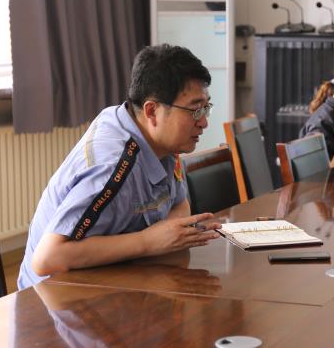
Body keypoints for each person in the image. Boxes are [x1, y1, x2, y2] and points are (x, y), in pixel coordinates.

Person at [18, 44, 222, 290]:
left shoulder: (162, 141)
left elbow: (180, 204)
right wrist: (148, 242)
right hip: (54, 298)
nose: (204, 122)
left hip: (117, 280)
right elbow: (47, 259)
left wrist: (166, 236)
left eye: (206, 108)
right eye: (195, 110)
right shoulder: (112, 165)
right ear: (152, 111)